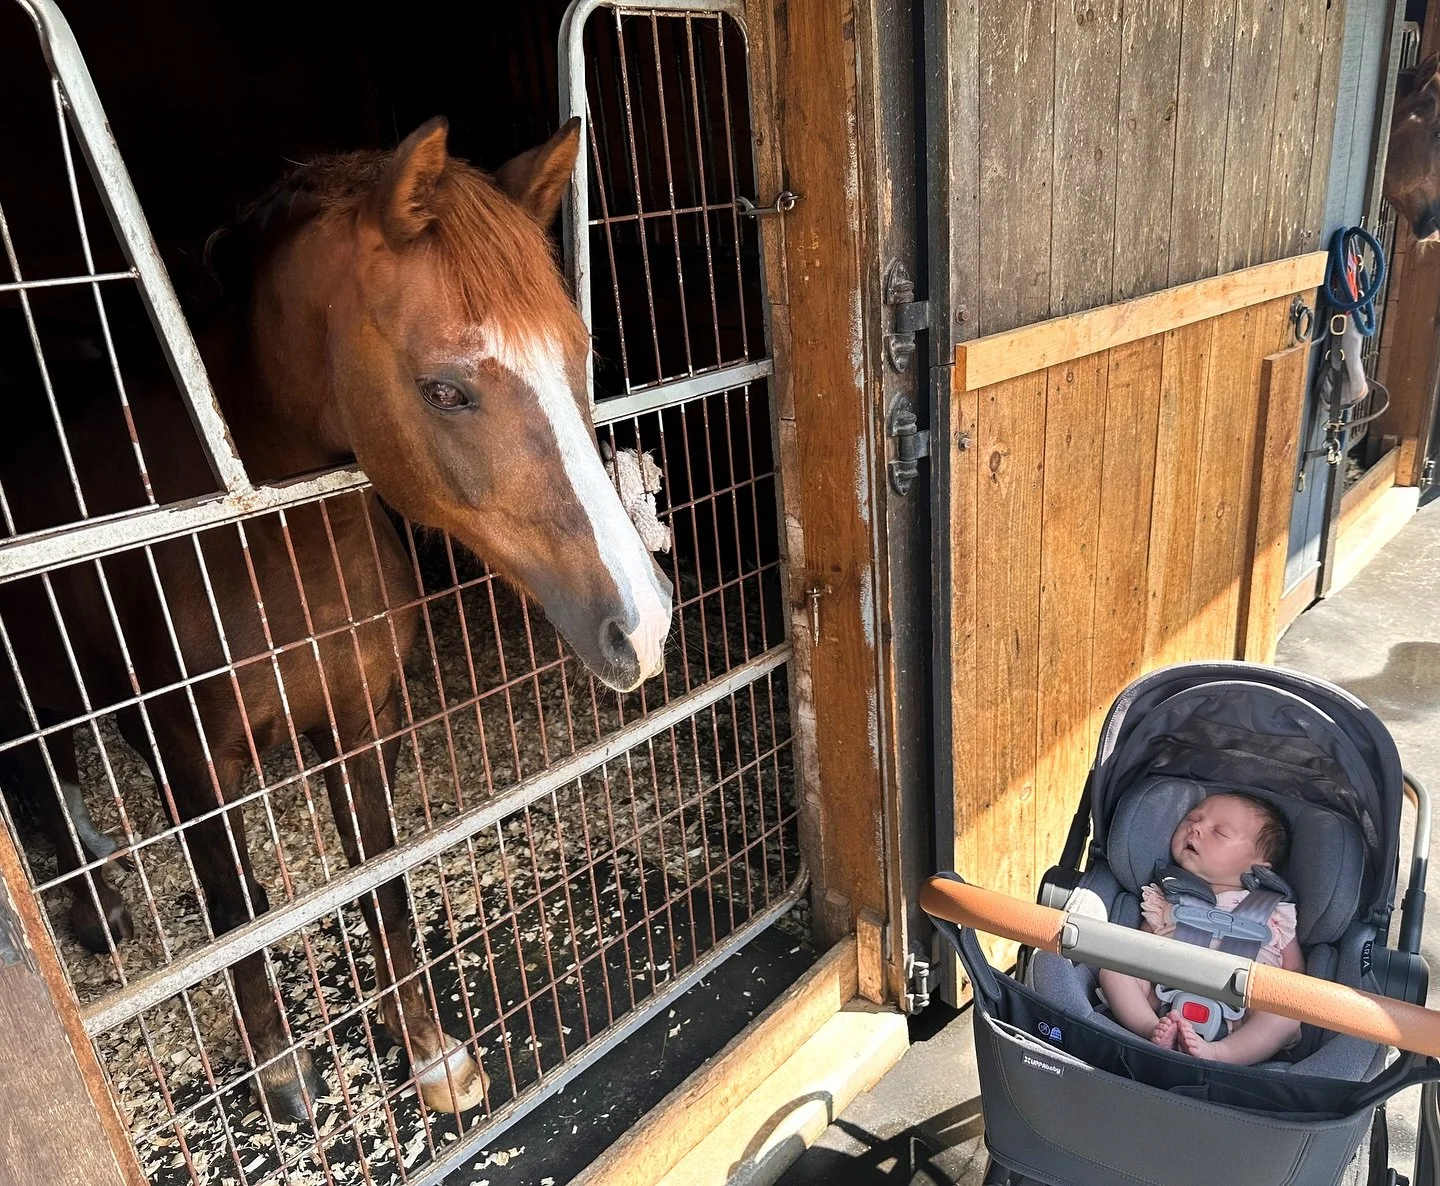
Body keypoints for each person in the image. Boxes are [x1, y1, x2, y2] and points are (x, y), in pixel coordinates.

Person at [1098, 792, 1304, 1065]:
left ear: (1258, 866)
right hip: (1162, 1000)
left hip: (1244, 1014)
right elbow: (1140, 949)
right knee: (1113, 968)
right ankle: (1151, 1029)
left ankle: (1222, 1053)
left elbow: (1295, 973)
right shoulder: (1165, 897)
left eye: (1219, 832)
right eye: (1192, 818)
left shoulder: (1275, 913)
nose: (1195, 827)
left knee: (1288, 1012)